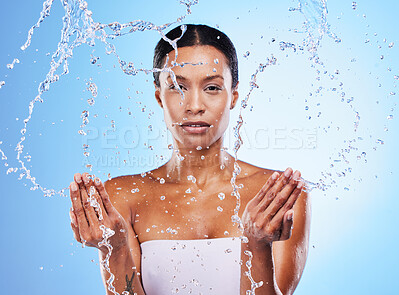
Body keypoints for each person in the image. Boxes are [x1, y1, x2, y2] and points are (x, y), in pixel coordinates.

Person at [69, 24, 311, 295]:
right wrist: (114, 249)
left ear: (233, 95)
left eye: (212, 87)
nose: (194, 105)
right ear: (160, 96)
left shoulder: (279, 195)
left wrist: (256, 243)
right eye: (177, 87)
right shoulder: (121, 197)